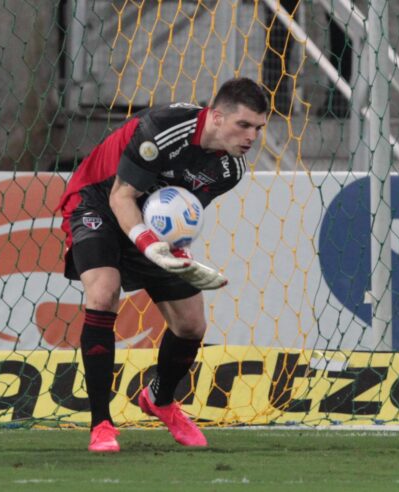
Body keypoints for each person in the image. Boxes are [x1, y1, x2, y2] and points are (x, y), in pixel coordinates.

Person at [57, 77, 269, 453]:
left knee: (191, 325)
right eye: (244, 125)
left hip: (150, 222)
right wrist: (148, 244)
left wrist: (179, 254)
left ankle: (159, 399)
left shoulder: (229, 170)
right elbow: (122, 196)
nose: (252, 136)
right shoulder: (163, 129)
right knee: (103, 294)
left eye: (258, 128)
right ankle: (101, 424)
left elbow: (180, 213)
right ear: (217, 117)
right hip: (99, 202)